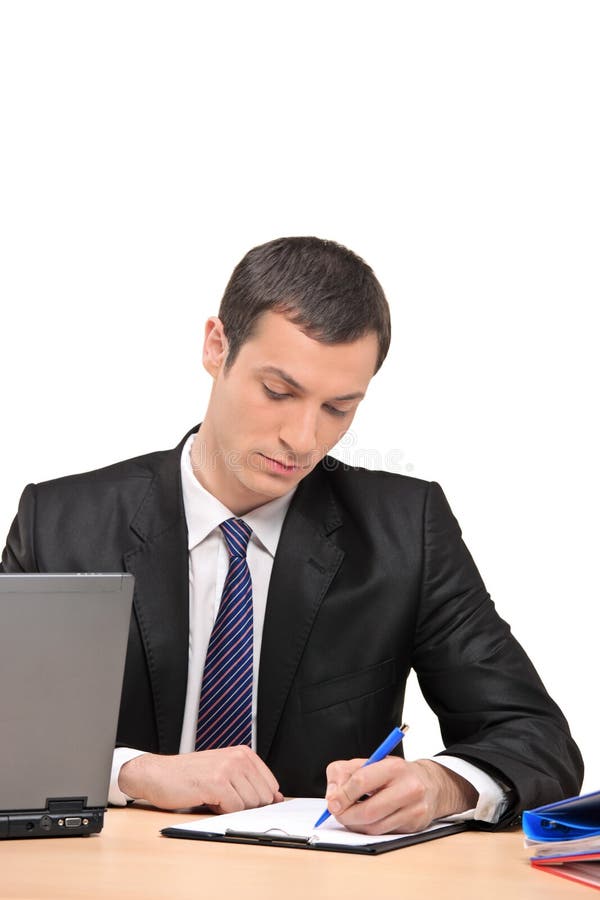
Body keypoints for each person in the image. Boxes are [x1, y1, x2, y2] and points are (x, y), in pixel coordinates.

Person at [1, 237, 583, 835]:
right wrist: (134, 774)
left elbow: (538, 740)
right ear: (215, 346)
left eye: (338, 407)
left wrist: (444, 783)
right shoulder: (60, 520)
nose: (303, 439)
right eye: (278, 392)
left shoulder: (407, 529)